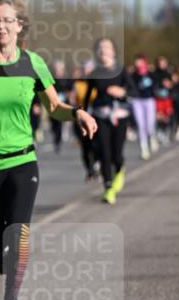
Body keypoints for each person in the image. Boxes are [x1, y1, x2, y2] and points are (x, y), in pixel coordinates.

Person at [0, 0, 97, 300]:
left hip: (22, 162)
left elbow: (53, 106)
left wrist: (76, 113)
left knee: (18, 236)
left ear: (19, 26)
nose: (0, 25)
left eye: (7, 20)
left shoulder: (33, 63)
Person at [83, 39, 133, 204]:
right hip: (101, 115)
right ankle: (108, 188)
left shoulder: (121, 71)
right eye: (100, 48)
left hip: (119, 116)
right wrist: (82, 116)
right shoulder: (94, 72)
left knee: (116, 154)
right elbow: (87, 97)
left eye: (107, 47)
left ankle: (119, 169)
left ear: (113, 51)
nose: (103, 50)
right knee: (104, 152)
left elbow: (135, 91)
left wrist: (122, 91)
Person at [129, 54, 157, 160]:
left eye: (140, 61)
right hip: (137, 101)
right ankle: (144, 149)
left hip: (149, 100)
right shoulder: (133, 75)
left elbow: (156, 85)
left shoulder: (150, 73)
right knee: (140, 125)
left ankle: (152, 136)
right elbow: (129, 85)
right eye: (136, 61)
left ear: (144, 61)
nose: (138, 63)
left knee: (149, 124)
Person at [48, 60, 74, 153]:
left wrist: (70, 99)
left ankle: (58, 140)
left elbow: (70, 91)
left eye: (60, 69)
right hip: (53, 104)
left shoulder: (67, 79)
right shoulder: (50, 79)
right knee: (54, 123)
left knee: (59, 122)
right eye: (57, 69)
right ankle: (56, 135)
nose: (58, 71)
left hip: (63, 103)